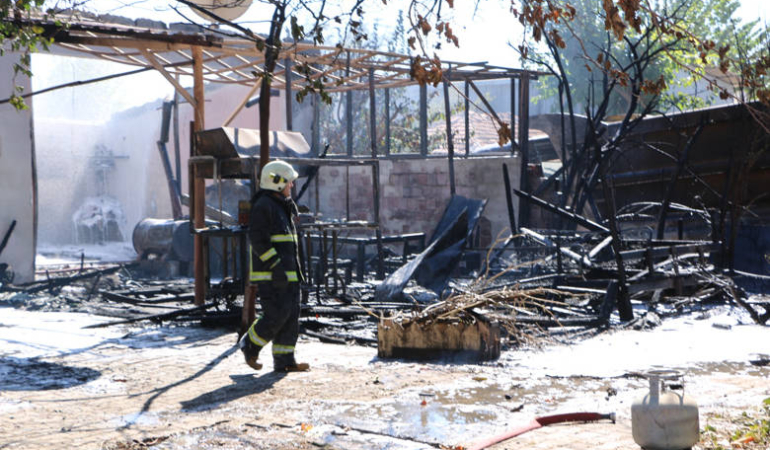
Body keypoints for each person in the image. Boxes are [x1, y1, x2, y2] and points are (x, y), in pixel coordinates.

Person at [239, 160, 309, 372]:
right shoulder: (264, 206)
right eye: (289, 182)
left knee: (290, 316)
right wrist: (275, 266)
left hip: (288, 275)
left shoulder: (282, 206)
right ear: (276, 182)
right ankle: (249, 344)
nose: (292, 186)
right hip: (272, 275)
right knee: (276, 315)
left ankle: (284, 360)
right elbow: (258, 240)